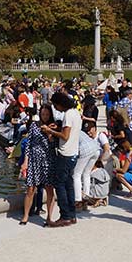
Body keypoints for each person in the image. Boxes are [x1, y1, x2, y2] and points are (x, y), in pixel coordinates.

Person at [45, 92, 81, 227]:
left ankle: (65, 216)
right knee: (69, 185)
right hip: (73, 153)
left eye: (55, 105)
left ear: (60, 104)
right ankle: (72, 215)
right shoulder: (75, 113)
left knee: (60, 185)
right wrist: (58, 127)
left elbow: (65, 136)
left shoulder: (68, 115)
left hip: (65, 154)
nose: (55, 108)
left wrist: (50, 131)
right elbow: (69, 132)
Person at [20, 104, 56, 226]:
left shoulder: (54, 126)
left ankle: (49, 217)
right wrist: (25, 161)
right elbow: (29, 144)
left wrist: (50, 133)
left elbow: (54, 144)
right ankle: (25, 215)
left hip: (47, 160)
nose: (45, 116)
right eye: (43, 114)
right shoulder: (34, 125)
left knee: (49, 189)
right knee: (30, 188)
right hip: (34, 160)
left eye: (47, 114)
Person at [73, 122, 102, 208]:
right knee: (86, 173)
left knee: (76, 174)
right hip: (96, 149)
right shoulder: (80, 131)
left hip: (86, 150)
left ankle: (78, 200)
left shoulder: (71, 132)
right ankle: (86, 196)